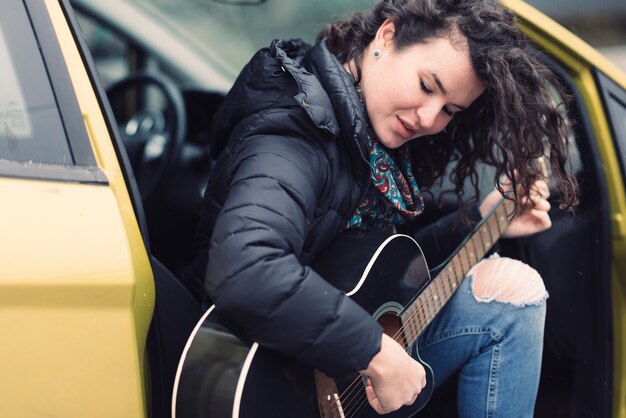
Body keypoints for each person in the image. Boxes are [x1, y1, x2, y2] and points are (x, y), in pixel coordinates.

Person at [183, 0, 579, 416]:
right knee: (516, 295)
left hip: (323, 371)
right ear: (386, 37)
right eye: (428, 86)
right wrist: (375, 352)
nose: (428, 118)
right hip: (264, 383)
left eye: (449, 110)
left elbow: (377, 274)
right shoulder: (295, 133)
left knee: (509, 294)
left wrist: (480, 221)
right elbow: (244, 267)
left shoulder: (370, 143)